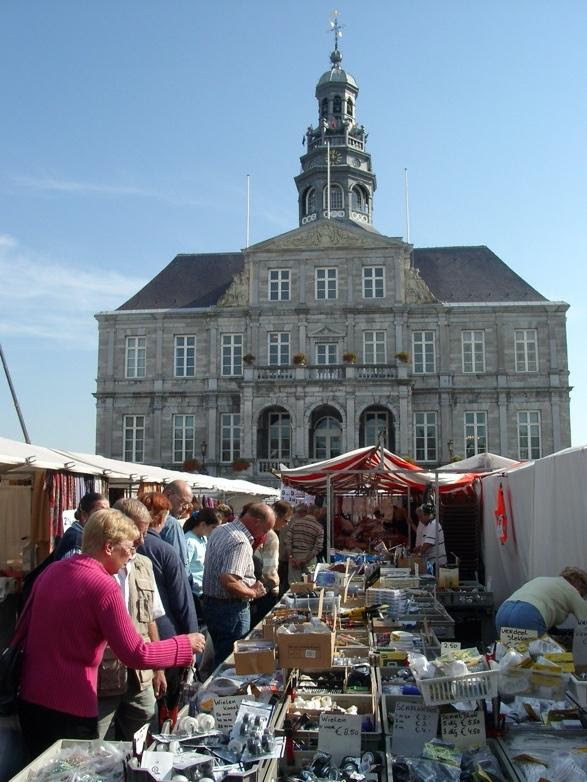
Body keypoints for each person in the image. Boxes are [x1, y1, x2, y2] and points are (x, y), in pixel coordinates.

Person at [14, 509, 205, 759]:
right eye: (128, 548)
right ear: (108, 547)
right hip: (71, 704)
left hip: (30, 697)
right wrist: (184, 644)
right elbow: (136, 653)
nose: (131, 555)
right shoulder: (103, 585)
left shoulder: (54, 570)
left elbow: (23, 629)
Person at [96, 498, 167, 741]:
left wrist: (158, 668)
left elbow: (151, 619)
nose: (143, 540)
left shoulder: (143, 564)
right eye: (138, 533)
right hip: (103, 675)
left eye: (145, 533)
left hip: (139, 675)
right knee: (98, 739)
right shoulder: (97, 565)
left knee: (146, 726)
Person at [138, 492, 198, 727]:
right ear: (162, 519)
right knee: (167, 701)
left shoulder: (124, 548)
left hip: (137, 637)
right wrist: (192, 640)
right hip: (165, 634)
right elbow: (182, 601)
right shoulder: (164, 550)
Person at [202, 503, 275, 667]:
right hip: (230, 610)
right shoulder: (240, 541)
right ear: (256, 522)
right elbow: (228, 580)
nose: (263, 534)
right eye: (264, 530)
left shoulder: (222, 529)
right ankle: (226, 692)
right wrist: (253, 593)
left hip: (212, 605)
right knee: (232, 662)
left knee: (222, 655)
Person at [496, 567, 587, 636]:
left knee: (512, 656)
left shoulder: (542, 580)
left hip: (504, 611)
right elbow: (585, 621)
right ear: (580, 585)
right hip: (528, 615)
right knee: (538, 657)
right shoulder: (572, 591)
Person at [183, 508, 221, 615]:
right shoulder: (189, 541)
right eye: (213, 527)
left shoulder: (203, 538)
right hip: (196, 593)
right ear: (203, 524)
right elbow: (185, 570)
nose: (215, 531)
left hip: (205, 591)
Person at [54, 492, 110, 560]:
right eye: (100, 512)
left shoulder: (87, 537)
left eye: (108, 512)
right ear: (84, 515)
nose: (106, 517)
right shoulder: (76, 541)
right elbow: (72, 570)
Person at [160, 480, 193, 579]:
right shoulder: (171, 524)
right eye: (182, 502)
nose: (185, 508)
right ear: (168, 494)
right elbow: (179, 564)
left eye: (188, 505)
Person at [284, 504, 325, 583]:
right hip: (309, 558)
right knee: (309, 585)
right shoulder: (319, 527)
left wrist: (291, 557)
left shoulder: (296, 523)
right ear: (317, 514)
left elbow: (287, 541)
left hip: (294, 557)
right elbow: (318, 547)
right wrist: (305, 560)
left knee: (294, 585)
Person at [413, 503, 447, 570]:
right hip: (432, 562)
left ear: (428, 515)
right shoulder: (427, 525)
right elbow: (425, 543)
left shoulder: (433, 524)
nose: (420, 519)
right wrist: (417, 548)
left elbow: (427, 544)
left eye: (421, 516)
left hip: (438, 563)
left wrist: (417, 556)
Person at [273, 500, 293, 597]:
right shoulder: (270, 534)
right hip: (267, 586)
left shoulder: (272, 532)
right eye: (285, 521)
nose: (286, 524)